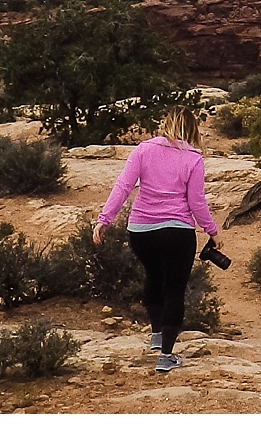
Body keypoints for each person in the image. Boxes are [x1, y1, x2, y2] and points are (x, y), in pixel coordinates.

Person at [95, 105, 220, 374]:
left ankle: (156, 335)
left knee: (153, 277)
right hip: (176, 230)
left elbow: (123, 185)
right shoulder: (193, 159)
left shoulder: (143, 149)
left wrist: (104, 219)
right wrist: (212, 230)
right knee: (174, 288)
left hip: (141, 229)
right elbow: (196, 202)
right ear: (191, 129)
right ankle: (166, 355)